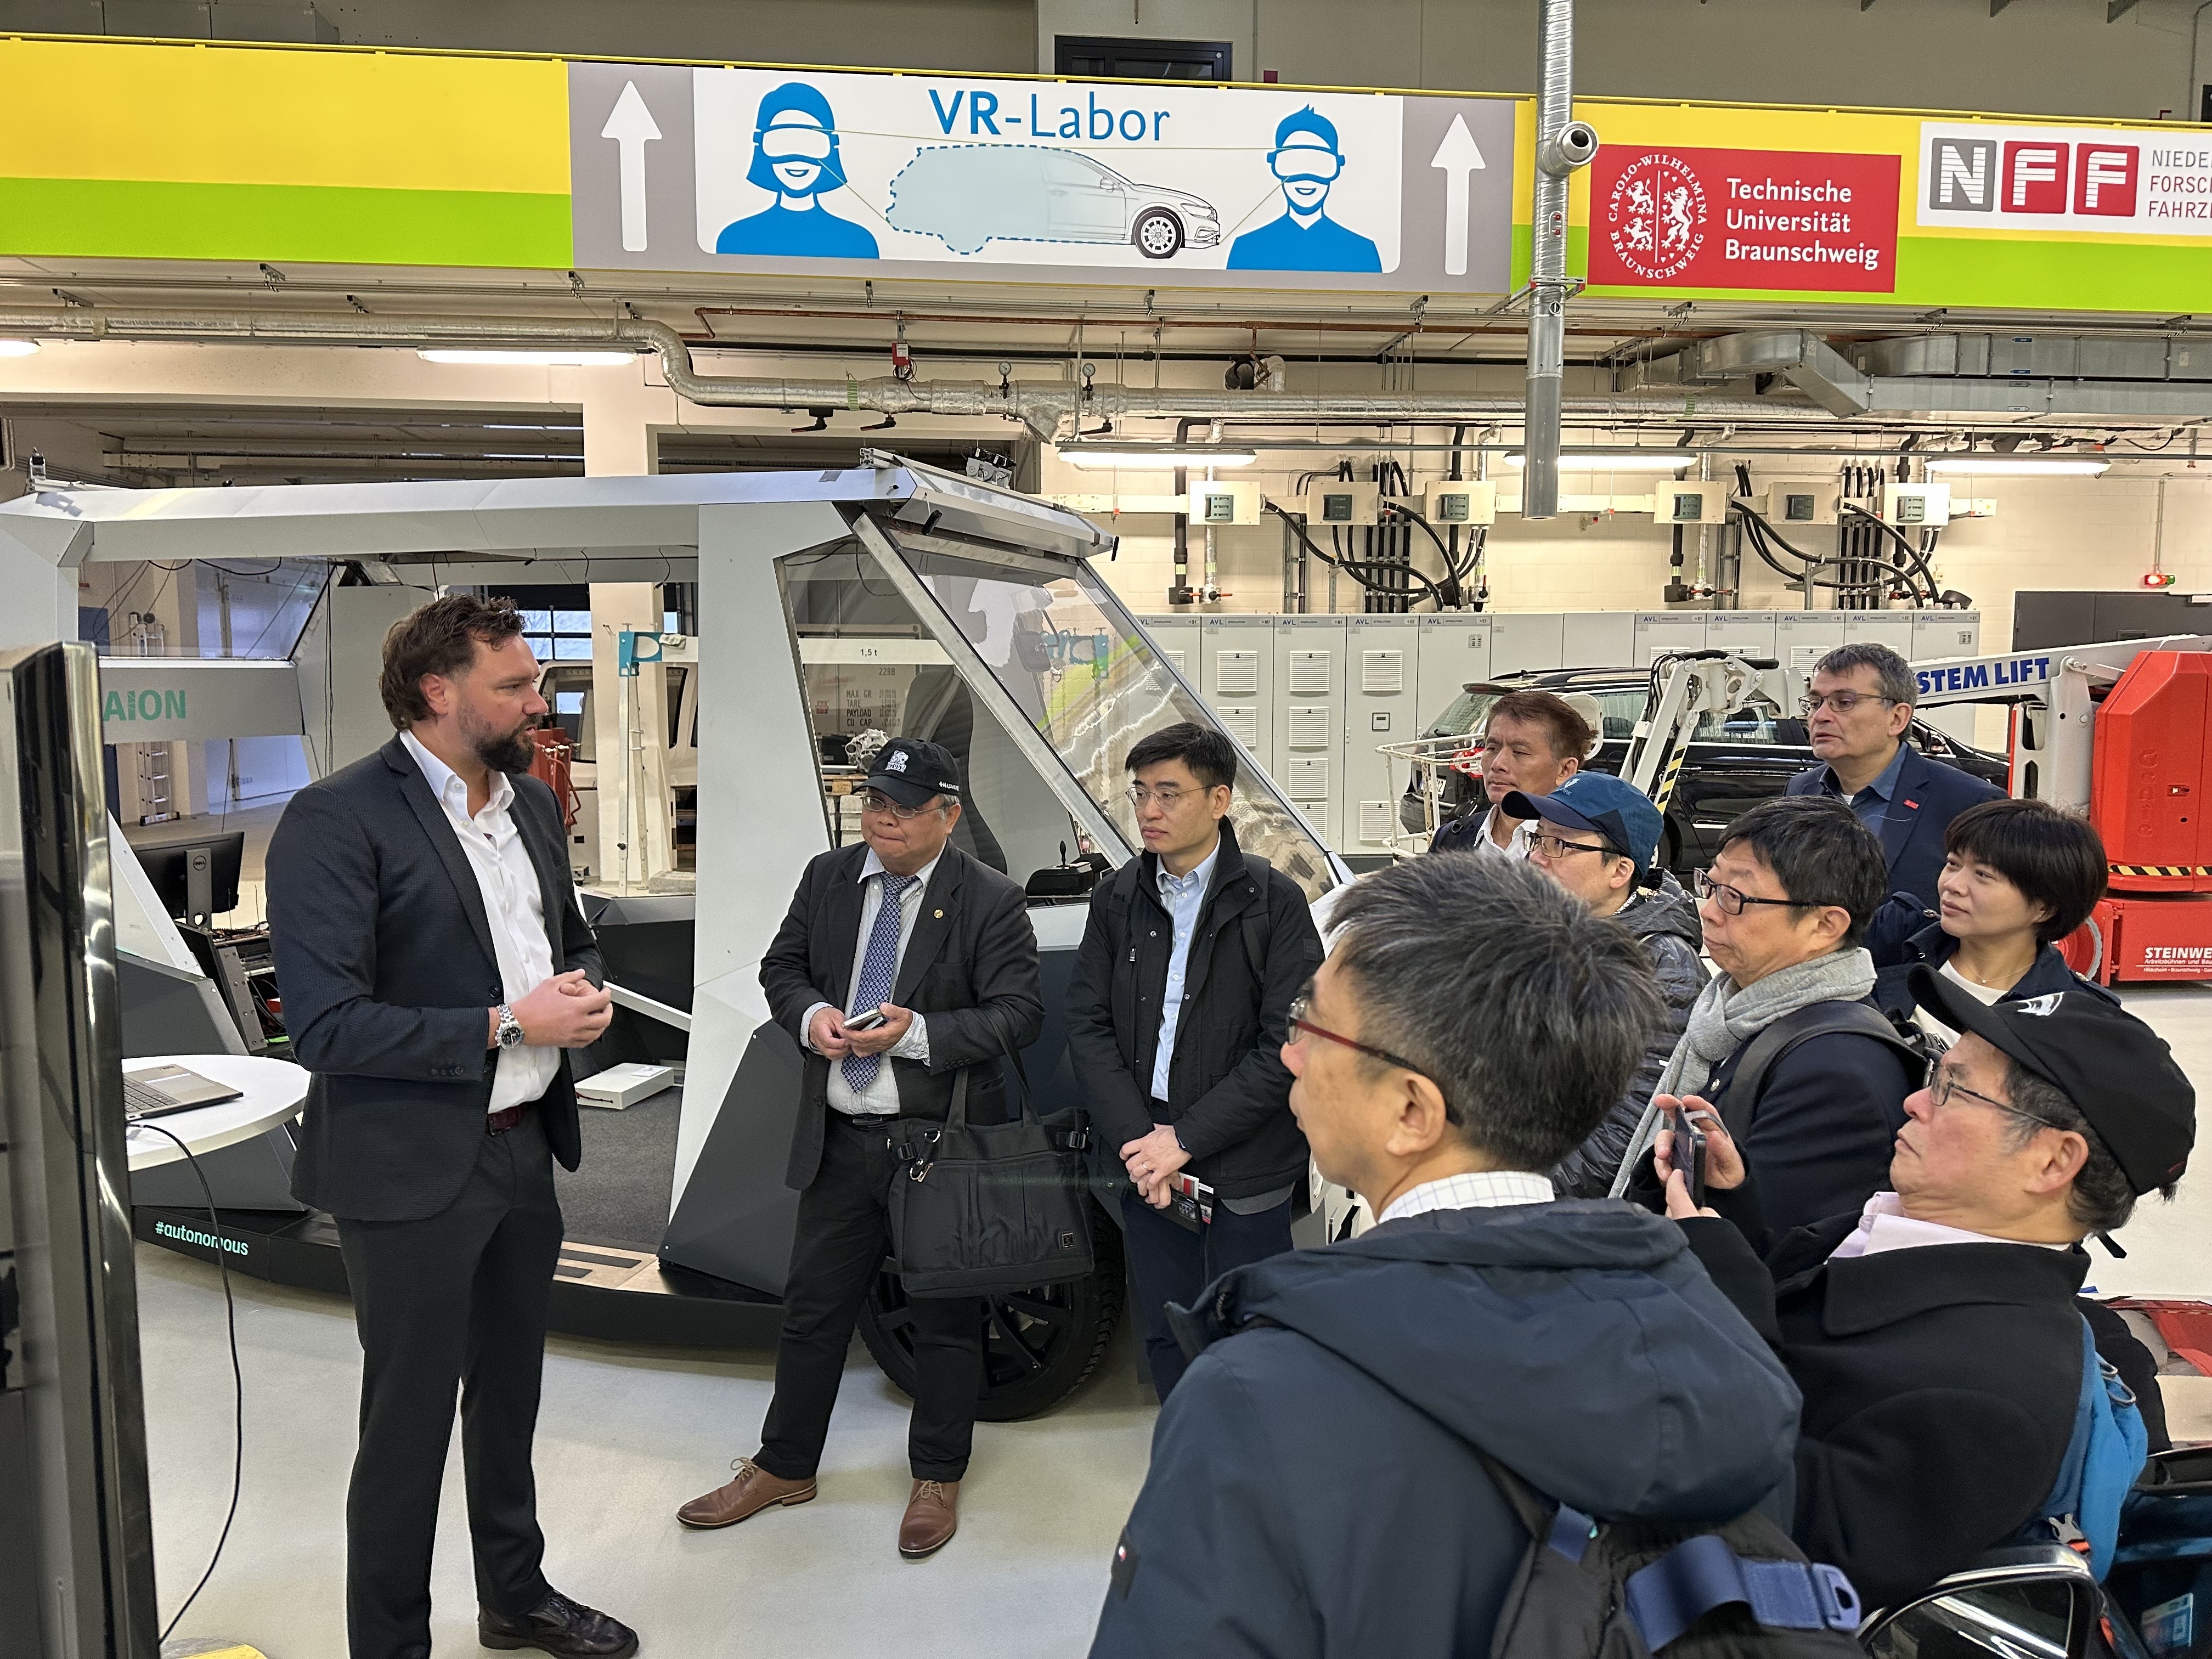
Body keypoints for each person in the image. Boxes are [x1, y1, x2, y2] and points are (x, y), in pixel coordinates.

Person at [1088, 855, 1801, 1658]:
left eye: (1309, 1022)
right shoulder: (1722, 1351)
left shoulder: (1260, 1398)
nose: (1289, 1054)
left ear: (1410, 1110)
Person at [266, 595, 633, 1659]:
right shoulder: (338, 820)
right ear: (438, 694)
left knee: (510, 1398)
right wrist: (507, 1022)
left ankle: (514, 1597)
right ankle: (391, 1645)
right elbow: (328, 1028)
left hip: (524, 1150)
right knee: (408, 1429)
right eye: (513, 685)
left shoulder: (523, 805)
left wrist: (583, 990)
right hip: (409, 1170)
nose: (537, 698)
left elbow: (573, 938)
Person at [1656, 967, 2194, 1611]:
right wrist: (1734, 1204)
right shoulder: (1918, 1233)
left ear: (2053, 1162)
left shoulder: (1997, 1398)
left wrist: (1714, 1275)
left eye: (1952, 1090)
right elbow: (1801, 1309)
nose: (1914, 1099)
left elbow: (1785, 1537)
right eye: (1935, 1070)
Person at [675, 737, 1041, 1560]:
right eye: (874, 802)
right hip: (841, 1140)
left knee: (946, 1319)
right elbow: (782, 968)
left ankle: (938, 1474)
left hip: (936, 1148)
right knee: (811, 1315)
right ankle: (784, 1465)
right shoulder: (829, 877)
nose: (883, 819)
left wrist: (920, 1035)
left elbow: (1019, 1014)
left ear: (949, 815)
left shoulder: (989, 899)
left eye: (904, 809)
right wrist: (811, 1019)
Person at [1063, 722, 1324, 1400]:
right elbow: (1088, 1025)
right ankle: (1187, 1449)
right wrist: (1139, 1143)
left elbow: (1290, 1045)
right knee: (1168, 1321)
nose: (1149, 811)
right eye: (1141, 793)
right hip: (1144, 1152)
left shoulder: (1272, 902)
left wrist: (1185, 1138)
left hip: (1244, 1154)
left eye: (1169, 794)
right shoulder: (1118, 897)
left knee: (1253, 1324)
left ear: (1219, 801)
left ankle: (1255, 1470)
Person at [1612, 795, 1921, 1238]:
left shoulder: (1836, 1069)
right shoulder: (1731, 1009)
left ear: (1825, 926)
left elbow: (1778, 1256)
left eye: (1735, 896)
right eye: (1711, 885)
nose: (1709, 911)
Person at [1504, 772, 1710, 1198]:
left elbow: (1625, 1138)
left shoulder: (1661, 970)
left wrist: (1502, 1190)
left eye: (1560, 845)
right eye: (1538, 839)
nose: (1537, 858)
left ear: (1620, 871)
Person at [1870, 798, 2116, 1039]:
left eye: (1983, 875)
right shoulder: (1896, 936)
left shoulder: (2081, 1016)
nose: (1953, 885)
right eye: (1953, 864)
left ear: (2045, 908)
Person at [1785, 642, 2004, 908]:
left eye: (1844, 702)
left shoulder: (1969, 802)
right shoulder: (1801, 790)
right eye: (1815, 703)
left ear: (1897, 719)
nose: (1820, 716)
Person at [714, 81, 881, 258]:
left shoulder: (859, 242)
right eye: (782, 142)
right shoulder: (735, 238)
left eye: (811, 142)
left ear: (832, 146)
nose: (797, 160)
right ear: (760, 144)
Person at [1429, 687, 1591, 859]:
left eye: (1520, 752)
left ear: (1565, 770)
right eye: (1492, 748)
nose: (1498, 764)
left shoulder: (1578, 853)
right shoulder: (1451, 838)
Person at [1225, 106, 1383, 273]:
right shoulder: (1245, 249)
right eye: (1292, 163)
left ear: (1337, 165)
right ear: (1275, 164)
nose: (1306, 178)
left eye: (1320, 164)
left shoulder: (1362, 252)